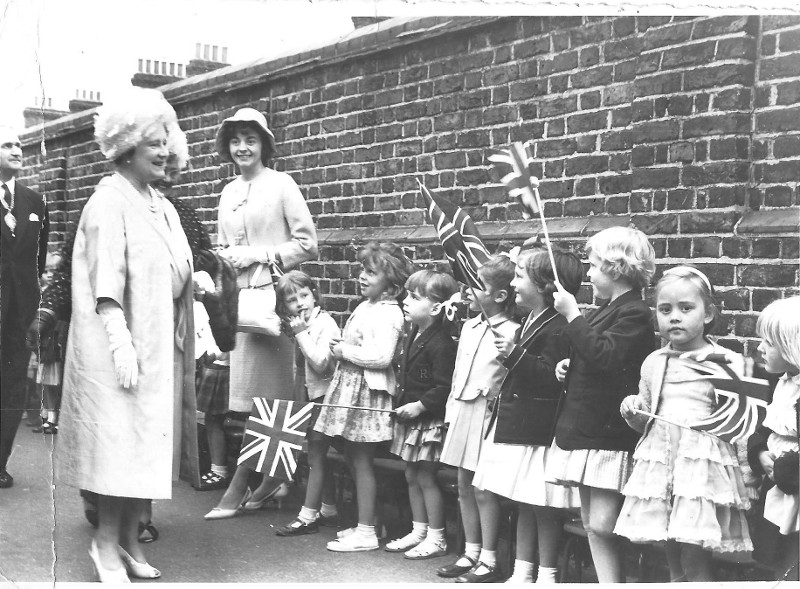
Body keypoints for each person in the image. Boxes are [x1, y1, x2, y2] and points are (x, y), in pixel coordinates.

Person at [56, 87, 200, 582]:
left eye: (167, 141)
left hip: (158, 344)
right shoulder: (108, 202)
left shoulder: (161, 204)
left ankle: (129, 541)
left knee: (143, 446)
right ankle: (104, 545)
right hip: (120, 348)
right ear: (126, 147)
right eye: (153, 144)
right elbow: (106, 280)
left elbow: (179, 265)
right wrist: (119, 339)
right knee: (119, 447)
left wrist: (195, 279)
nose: (165, 152)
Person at [206, 107, 318, 518]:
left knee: (272, 400)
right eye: (235, 140)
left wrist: (258, 254)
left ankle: (240, 487)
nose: (242, 147)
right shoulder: (227, 191)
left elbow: (308, 245)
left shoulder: (282, 184)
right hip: (242, 305)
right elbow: (222, 252)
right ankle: (274, 480)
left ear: (264, 144)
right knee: (254, 402)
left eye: (250, 139)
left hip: (274, 301)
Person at [615, 266, 753, 581]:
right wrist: (633, 411)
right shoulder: (654, 362)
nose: (674, 317)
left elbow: (741, 422)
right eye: (666, 310)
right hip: (663, 457)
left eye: (685, 308)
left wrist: (747, 475)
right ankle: (678, 581)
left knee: (693, 540)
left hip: (701, 463)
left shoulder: (724, 361)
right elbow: (647, 417)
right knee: (668, 533)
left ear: (708, 315)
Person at [465, 248, 584, 584]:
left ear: (546, 285)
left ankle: (545, 574)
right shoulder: (530, 320)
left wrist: (515, 354)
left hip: (539, 433)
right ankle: (522, 571)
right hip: (521, 427)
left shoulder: (559, 326)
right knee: (524, 503)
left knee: (542, 507)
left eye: (520, 276)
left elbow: (553, 376)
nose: (514, 284)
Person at [547, 226, 656, 583]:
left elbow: (607, 357)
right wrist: (569, 366)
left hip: (609, 436)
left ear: (616, 267)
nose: (588, 273)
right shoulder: (603, 311)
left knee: (605, 524)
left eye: (593, 265)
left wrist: (572, 316)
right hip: (587, 432)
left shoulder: (635, 313)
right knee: (592, 523)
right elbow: (592, 356)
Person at [314, 241, 413, 552]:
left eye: (371, 272)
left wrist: (346, 351)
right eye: (362, 270)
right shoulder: (365, 306)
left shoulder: (389, 313)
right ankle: (366, 522)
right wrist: (340, 346)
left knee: (362, 459)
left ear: (392, 286)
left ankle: (367, 532)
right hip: (350, 388)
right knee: (353, 458)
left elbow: (382, 357)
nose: (362, 276)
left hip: (367, 393)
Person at [434, 256, 518, 580]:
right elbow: (458, 376)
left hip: (488, 416)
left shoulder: (512, 331)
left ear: (499, 296)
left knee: (485, 490)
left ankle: (490, 558)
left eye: (476, 285)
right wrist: (450, 413)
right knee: (463, 486)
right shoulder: (469, 326)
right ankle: (469, 552)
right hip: (463, 412)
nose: (466, 291)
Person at [384, 269, 458, 560]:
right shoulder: (414, 333)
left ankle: (437, 537)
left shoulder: (442, 343)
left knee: (426, 478)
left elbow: (444, 387)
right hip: (412, 420)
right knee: (411, 475)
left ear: (437, 308)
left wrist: (420, 406)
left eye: (414, 298)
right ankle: (419, 530)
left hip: (428, 421)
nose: (405, 301)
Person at [274, 270, 342, 536]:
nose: (300, 302)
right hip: (308, 395)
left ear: (314, 294)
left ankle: (307, 516)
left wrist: (301, 334)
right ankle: (328, 508)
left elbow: (321, 363)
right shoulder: (301, 324)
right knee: (316, 454)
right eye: (292, 300)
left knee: (316, 454)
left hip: (325, 398)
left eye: (304, 295)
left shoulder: (325, 324)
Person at [0, 125, 49, 489]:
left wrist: (35, 306)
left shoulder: (33, 201)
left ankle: (1, 462)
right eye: (7, 144)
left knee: (14, 385)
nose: (17, 149)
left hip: (19, 314)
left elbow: (39, 259)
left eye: (18, 143)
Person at [748, 296, 800, 581]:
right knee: (779, 563)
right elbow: (768, 427)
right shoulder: (781, 383)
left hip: (795, 490)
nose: (760, 348)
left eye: (769, 342)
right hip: (779, 495)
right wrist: (759, 453)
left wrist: (787, 468)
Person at [32, 252, 67, 434]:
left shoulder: (59, 295)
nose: (50, 274)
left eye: (54, 270)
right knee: (45, 383)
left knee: (54, 383)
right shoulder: (41, 294)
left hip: (54, 345)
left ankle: (54, 418)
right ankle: (46, 416)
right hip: (44, 346)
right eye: (46, 271)